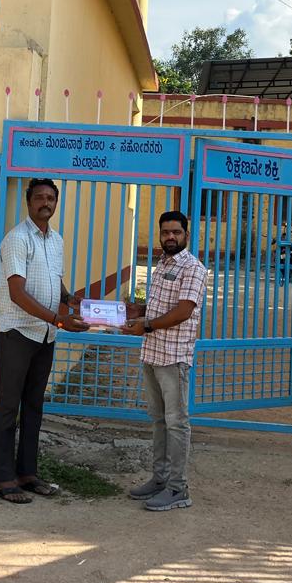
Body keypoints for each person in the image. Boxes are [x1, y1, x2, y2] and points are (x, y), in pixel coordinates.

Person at [0, 178, 89, 503]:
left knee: (34, 406)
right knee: (8, 406)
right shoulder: (17, 239)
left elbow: (53, 281)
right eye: (39, 198)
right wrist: (58, 318)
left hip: (45, 335)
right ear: (29, 202)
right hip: (18, 332)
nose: (45, 203)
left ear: (55, 204)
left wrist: (70, 300)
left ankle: (27, 473)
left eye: (51, 198)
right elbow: (18, 293)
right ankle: (2, 478)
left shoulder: (55, 240)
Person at [122, 209, 207, 511]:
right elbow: (159, 308)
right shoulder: (162, 264)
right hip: (152, 353)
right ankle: (159, 479)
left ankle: (178, 488)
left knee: (176, 423)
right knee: (158, 420)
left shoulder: (193, 268)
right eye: (165, 232)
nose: (170, 237)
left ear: (186, 234)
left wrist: (145, 324)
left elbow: (183, 310)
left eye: (176, 232)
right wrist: (138, 311)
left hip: (173, 357)